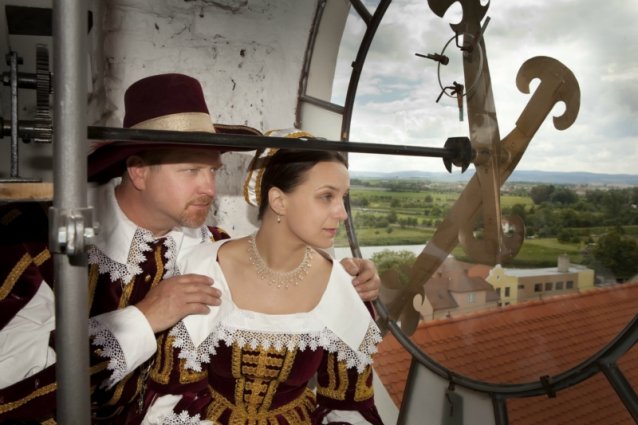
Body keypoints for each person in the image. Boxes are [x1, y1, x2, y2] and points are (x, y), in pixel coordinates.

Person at [0, 74, 380, 423]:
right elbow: (12, 390)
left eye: (213, 170)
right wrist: (144, 318)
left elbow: (273, 269)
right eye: (191, 171)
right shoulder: (37, 242)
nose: (210, 189)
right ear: (138, 171)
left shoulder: (211, 246)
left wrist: (347, 277)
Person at [125, 136, 384, 425]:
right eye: (327, 196)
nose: (343, 213)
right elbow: (174, 389)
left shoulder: (344, 286)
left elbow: (347, 402)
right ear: (279, 201)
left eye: (343, 197)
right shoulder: (204, 266)